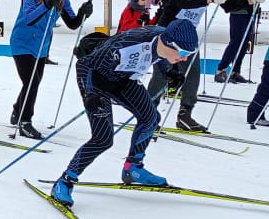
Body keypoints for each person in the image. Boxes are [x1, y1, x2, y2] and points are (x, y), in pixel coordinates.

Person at [49, 19, 199, 207]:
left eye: (189, 54)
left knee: (151, 118)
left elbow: (158, 56)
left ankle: (133, 168)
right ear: (170, 43)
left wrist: (169, 72)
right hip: (96, 81)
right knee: (103, 138)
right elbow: (86, 65)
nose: (185, 58)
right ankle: (65, 181)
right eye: (184, 53)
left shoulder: (163, 39)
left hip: (124, 78)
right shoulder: (128, 44)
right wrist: (89, 94)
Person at [148, 0, 229, 132]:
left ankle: (185, 115)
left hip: (187, 32)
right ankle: (148, 113)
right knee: (163, 72)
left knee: (192, 71)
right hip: (169, 28)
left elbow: (225, 0)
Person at [8, 0, 91, 139]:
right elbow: (29, 18)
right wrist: (46, 5)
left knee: (32, 82)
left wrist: (83, 13)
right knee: (32, 82)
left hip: (41, 47)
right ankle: (25, 121)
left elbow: (72, 23)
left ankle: (17, 110)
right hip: (22, 43)